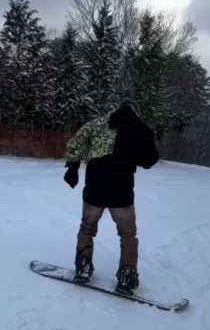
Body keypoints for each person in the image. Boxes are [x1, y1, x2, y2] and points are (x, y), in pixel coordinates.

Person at [63, 102, 159, 293]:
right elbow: (149, 160)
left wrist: (73, 166)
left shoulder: (95, 124)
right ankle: (127, 275)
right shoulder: (135, 128)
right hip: (121, 188)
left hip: (95, 185)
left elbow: (74, 143)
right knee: (128, 234)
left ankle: (83, 267)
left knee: (87, 228)